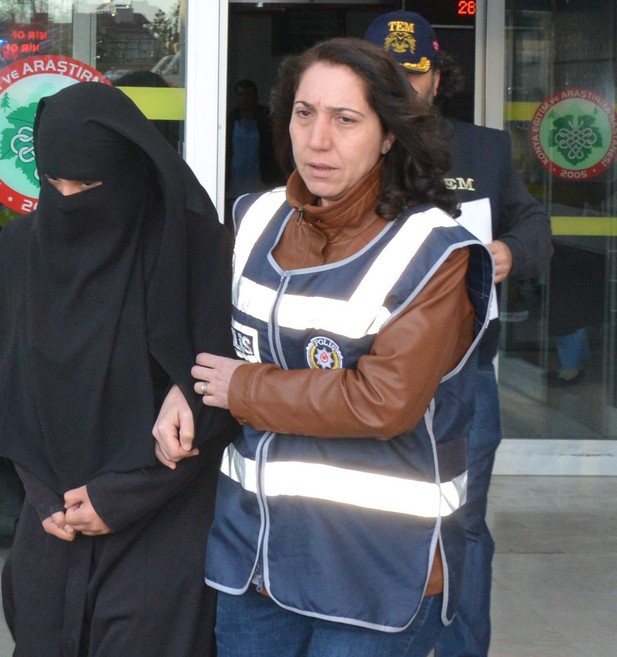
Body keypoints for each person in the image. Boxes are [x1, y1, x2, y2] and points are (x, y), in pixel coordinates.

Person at [154, 37, 493, 657]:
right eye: (304, 113)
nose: (318, 140)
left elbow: (384, 402)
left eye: (346, 119)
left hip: (373, 572)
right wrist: (185, 386)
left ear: (389, 134)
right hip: (254, 561)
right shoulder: (256, 218)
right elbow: (214, 332)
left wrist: (243, 387)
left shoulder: (432, 252)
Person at [0, 82, 238, 657]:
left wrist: (119, 498)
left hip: (161, 521)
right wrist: (45, 495)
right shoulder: (21, 247)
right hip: (53, 523)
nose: (69, 200)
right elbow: (0, 382)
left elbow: (220, 396)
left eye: (89, 186)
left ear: (133, 173)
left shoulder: (194, 248)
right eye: (54, 185)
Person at [363, 12, 553, 657]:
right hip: (361, 369)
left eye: (411, 74)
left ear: (436, 78)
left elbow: (534, 226)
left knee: (464, 524)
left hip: (463, 375)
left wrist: (508, 252)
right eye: (384, 73)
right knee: (364, 518)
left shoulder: (484, 149)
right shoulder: (345, 144)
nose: (399, 86)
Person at [225, 79, 283, 214]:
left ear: (256, 96)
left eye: (248, 95)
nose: (244, 99)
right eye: (240, 95)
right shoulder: (231, 118)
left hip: (261, 179)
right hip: (235, 181)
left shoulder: (265, 118)